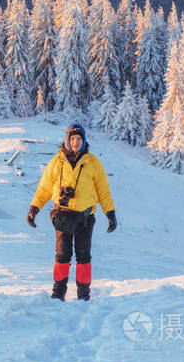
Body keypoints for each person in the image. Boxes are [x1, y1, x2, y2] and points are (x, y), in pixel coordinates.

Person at [27, 123, 117, 301]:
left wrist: (110, 213)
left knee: (84, 256)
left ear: (84, 141)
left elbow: (103, 190)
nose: (76, 142)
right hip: (63, 216)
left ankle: (83, 296)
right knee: (62, 255)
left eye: (79, 139)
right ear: (67, 140)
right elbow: (44, 188)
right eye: (72, 139)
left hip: (85, 217)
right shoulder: (56, 162)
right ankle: (57, 294)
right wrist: (34, 208)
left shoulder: (92, 162)